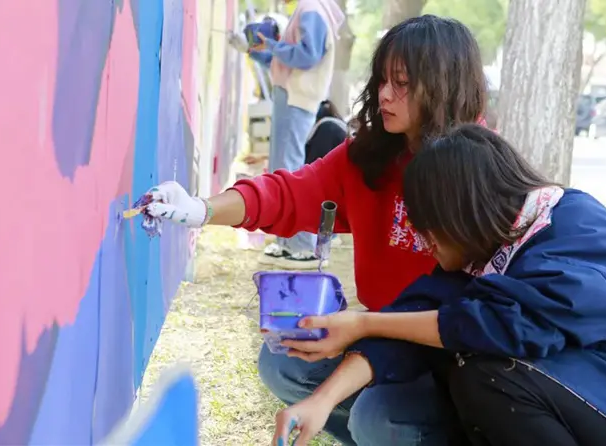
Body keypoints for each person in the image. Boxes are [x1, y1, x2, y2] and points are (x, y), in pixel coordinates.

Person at [143, 15, 488, 446]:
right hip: (383, 337)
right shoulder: (370, 156)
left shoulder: (480, 172)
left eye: (401, 83)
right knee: (286, 362)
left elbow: (475, 314)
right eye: (382, 79)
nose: (384, 94)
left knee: (379, 418)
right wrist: (198, 209)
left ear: (442, 86)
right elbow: (289, 194)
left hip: (455, 356)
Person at [271, 124, 606, 446]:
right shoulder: (492, 250)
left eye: (428, 229)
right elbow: (415, 317)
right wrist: (322, 399)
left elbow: (505, 324)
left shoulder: (578, 233)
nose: (424, 243)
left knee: (492, 371)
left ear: (459, 213)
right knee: (444, 375)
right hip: (601, 405)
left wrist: (365, 324)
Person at [235, 0, 346, 269]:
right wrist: (255, 50)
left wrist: (271, 46)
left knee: (290, 170)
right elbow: (289, 59)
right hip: (293, 95)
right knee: (281, 169)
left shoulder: (312, 9)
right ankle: (287, 242)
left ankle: (303, 245)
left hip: (298, 97)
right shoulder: (310, 9)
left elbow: (308, 56)